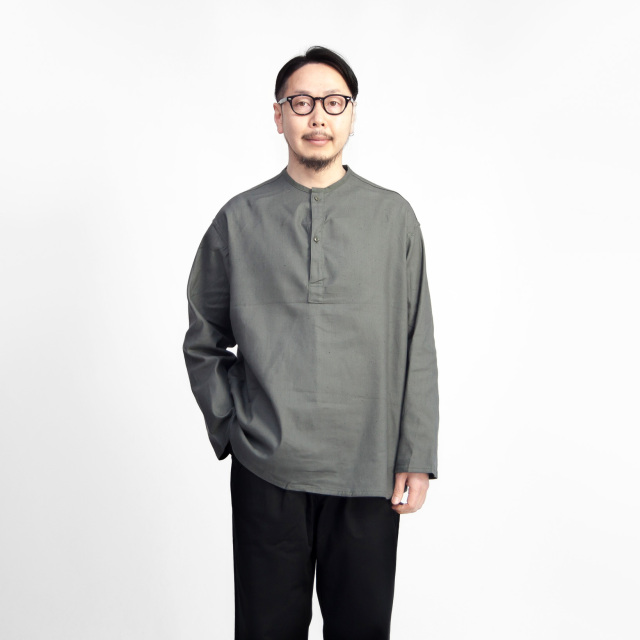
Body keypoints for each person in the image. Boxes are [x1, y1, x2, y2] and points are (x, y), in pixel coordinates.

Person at [183, 45, 439, 640]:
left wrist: (417, 454)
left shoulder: (393, 218)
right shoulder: (239, 219)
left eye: (333, 102)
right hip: (267, 468)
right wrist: (233, 426)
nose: (317, 116)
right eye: (301, 102)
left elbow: (417, 340)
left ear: (352, 115)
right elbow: (203, 336)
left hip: (369, 469)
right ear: (279, 116)